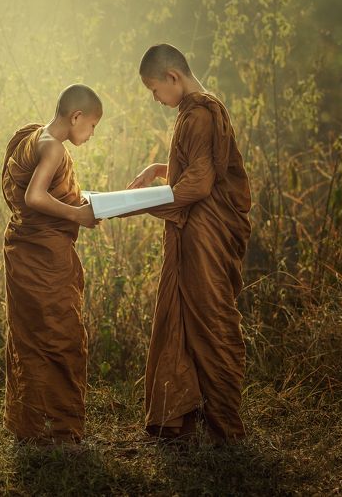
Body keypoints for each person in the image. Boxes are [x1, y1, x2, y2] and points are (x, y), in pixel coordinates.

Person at [127, 44, 252, 446]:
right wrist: (159, 169)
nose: (156, 99)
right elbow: (204, 166)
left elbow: (198, 184)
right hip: (197, 231)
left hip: (204, 235)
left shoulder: (198, 115)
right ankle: (188, 417)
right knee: (190, 316)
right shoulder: (207, 106)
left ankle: (225, 427)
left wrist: (146, 202)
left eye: (154, 89)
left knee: (211, 320)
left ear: (173, 78)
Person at [1, 83, 102, 444]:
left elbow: (40, 192)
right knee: (62, 336)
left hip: (25, 248)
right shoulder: (52, 147)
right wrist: (79, 214)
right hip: (43, 254)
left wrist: (80, 200)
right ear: (76, 117)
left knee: (29, 336)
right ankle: (61, 431)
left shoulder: (34, 137)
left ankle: (30, 427)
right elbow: (35, 196)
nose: (91, 135)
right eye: (91, 126)